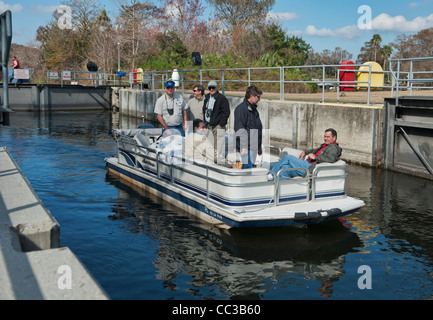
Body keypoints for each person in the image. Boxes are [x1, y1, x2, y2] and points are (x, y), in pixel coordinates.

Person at [269, 128, 342, 179]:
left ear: (334, 137)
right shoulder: (325, 145)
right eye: (325, 136)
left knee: (288, 158)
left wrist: (315, 157)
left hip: (311, 168)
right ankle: (282, 191)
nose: (325, 138)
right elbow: (314, 150)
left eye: (328, 137)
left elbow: (330, 159)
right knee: (285, 168)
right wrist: (305, 152)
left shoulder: (334, 148)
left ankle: (272, 175)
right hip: (307, 167)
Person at [234, 85, 263, 169]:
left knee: (250, 167)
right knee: (248, 168)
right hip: (247, 146)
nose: (259, 99)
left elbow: (258, 128)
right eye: (258, 97)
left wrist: (259, 147)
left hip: (253, 145)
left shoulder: (254, 110)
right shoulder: (241, 109)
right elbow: (240, 129)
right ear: (251, 96)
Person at [202, 81, 230, 164]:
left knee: (219, 147)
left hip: (218, 126)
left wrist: (221, 124)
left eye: (213, 87)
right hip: (208, 125)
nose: (211, 89)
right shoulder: (207, 97)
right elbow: (204, 110)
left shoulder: (222, 98)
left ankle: (219, 163)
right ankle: (211, 163)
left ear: (216, 88)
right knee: (209, 146)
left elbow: (226, 112)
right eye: (210, 88)